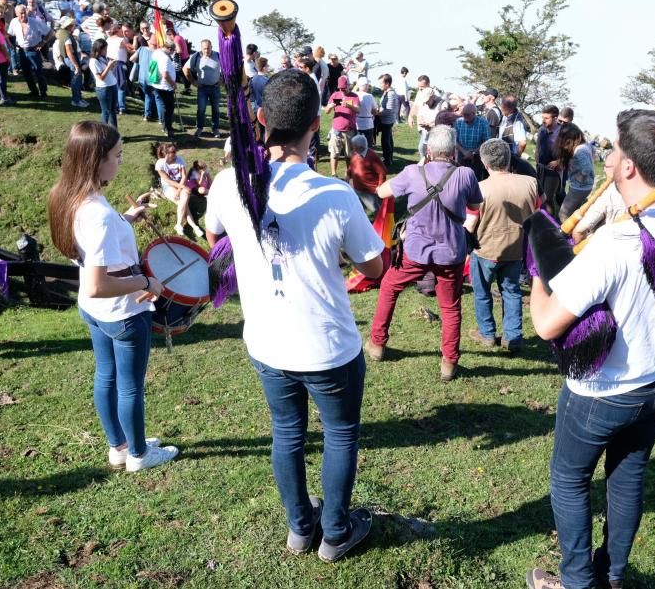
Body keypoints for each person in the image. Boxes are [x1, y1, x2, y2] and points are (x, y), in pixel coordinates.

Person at [526, 109, 655, 589]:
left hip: (605, 390)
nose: (608, 158)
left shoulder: (615, 242)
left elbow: (548, 325)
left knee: (569, 480)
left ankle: (576, 582)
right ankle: (611, 576)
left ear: (629, 166)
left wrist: (537, 270)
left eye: (614, 152)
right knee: (627, 478)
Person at [204, 69, 384, 562]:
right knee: (340, 434)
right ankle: (335, 531)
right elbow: (374, 264)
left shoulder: (227, 184)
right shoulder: (335, 194)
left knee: (287, 431)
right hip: (327, 345)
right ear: (317, 123)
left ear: (262, 120)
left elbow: (213, 233)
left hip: (267, 339)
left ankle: (301, 528)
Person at [47, 121, 179, 472]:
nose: (121, 161)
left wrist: (126, 219)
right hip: (121, 312)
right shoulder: (99, 216)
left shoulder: (68, 195)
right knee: (130, 387)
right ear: (94, 160)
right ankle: (139, 455)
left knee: (106, 376)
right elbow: (97, 283)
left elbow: (93, 247)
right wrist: (145, 283)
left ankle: (118, 447)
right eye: (117, 156)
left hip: (94, 312)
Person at [367, 125, 484, 381]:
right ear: (454, 151)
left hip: (415, 251)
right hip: (451, 252)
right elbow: (475, 205)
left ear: (428, 149)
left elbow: (382, 191)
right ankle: (449, 362)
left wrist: (420, 166)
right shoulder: (466, 175)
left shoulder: (412, 173)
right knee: (450, 308)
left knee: (389, 288)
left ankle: (377, 344)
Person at [464, 139, 538, 355]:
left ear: (485, 163)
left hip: (485, 249)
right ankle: (513, 336)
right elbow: (538, 212)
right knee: (512, 291)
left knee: (482, 293)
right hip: (516, 249)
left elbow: (470, 223)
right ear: (508, 159)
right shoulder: (530, 183)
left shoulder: (479, 188)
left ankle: (487, 334)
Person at [154, 143, 203, 238]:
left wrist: (179, 190)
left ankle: (179, 224)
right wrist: (180, 188)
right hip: (168, 186)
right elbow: (167, 180)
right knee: (184, 204)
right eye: (173, 152)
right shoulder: (160, 164)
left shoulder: (179, 159)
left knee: (184, 198)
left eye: (175, 150)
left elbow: (184, 176)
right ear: (165, 153)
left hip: (180, 184)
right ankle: (194, 226)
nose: (175, 153)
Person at [7, 4, 50, 99]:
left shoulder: (35, 22)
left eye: (24, 12)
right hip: (21, 50)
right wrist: (10, 44)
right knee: (26, 73)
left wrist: (43, 43)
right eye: (21, 13)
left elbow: (49, 32)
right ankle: (34, 91)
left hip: (33, 50)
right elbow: (9, 34)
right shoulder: (14, 22)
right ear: (16, 14)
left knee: (38, 72)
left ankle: (43, 93)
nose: (23, 15)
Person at [183, 39, 223, 138]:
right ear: (201, 48)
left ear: (212, 47)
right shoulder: (196, 57)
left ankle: (215, 129)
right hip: (202, 88)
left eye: (208, 48)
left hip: (215, 87)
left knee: (216, 110)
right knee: (201, 109)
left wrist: (222, 80)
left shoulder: (218, 56)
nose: (207, 50)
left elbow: (227, 69)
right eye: (204, 48)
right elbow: (185, 69)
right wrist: (193, 82)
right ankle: (199, 128)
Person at [557, 123, 595, 223]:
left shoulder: (580, 150)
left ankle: (568, 235)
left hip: (579, 188)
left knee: (563, 213)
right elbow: (593, 152)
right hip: (584, 186)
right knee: (574, 213)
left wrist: (578, 179)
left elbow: (587, 169)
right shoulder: (585, 144)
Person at [324, 77, 360, 178]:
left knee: (348, 155)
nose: (342, 90)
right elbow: (326, 111)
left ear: (349, 86)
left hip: (349, 130)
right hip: (336, 130)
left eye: (344, 88)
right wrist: (330, 107)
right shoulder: (335, 95)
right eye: (340, 88)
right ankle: (334, 174)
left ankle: (348, 175)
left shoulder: (354, 96)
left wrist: (349, 105)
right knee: (334, 154)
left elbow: (358, 110)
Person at [346, 134, 387, 215]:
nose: (352, 148)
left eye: (354, 146)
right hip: (357, 188)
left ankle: (381, 225)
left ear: (361, 147)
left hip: (369, 191)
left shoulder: (372, 156)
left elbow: (382, 172)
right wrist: (348, 175)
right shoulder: (355, 153)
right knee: (359, 209)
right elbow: (352, 165)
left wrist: (379, 186)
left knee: (375, 210)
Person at [56, 15, 89, 108]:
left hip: (74, 58)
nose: (74, 26)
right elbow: (69, 52)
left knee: (78, 79)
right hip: (72, 59)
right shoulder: (66, 36)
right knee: (76, 79)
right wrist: (76, 65)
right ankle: (76, 100)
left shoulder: (67, 34)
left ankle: (78, 98)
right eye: (73, 25)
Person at [453, 103, 491, 180]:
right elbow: (454, 140)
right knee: (461, 178)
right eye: (463, 114)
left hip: (477, 156)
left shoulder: (483, 123)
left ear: (474, 114)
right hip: (462, 155)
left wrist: (473, 152)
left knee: (476, 179)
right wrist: (465, 152)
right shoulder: (458, 122)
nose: (464, 117)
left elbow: (486, 142)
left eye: (467, 115)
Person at [90, 39, 119, 128]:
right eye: (105, 49)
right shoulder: (93, 61)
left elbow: (108, 72)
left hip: (112, 86)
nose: (106, 51)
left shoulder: (103, 58)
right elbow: (101, 77)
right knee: (106, 112)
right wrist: (109, 66)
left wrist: (113, 66)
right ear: (98, 49)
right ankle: (103, 134)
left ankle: (114, 133)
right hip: (104, 89)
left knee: (113, 110)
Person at [151, 41, 177, 137]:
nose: (172, 53)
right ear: (170, 49)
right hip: (165, 87)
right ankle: (167, 129)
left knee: (162, 107)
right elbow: (165, 75)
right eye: (173, 51)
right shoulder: (165, 58)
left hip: (156, 84)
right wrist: (173, 84)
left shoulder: (156, 52)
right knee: (168, 109)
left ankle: (165, 126)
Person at [131, 36, 157, 122]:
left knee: (148, 96)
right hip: (152, 77)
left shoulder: (141, 49)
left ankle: (147, 115)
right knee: (154, 96)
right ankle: (154, 114)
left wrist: (141, 61)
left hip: (142, 77)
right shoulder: (158, 52)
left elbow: (132, 59)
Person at [376, 73, 399, 166]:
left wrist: (377, 113)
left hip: (387, 120)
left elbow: (388, 110)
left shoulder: (391, 94)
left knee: (385, 140)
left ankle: (387, 160)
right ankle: (389, 158)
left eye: (381, 83)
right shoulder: (387, 92)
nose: (379, 85)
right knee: (388, 138)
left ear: (387, 83)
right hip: (387, 119)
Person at [354, 77, 376, 148]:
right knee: (368, 146)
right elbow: (374, 111)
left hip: (357, 123)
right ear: (366, 85)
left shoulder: (354, 95)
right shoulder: (370, 96)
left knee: (356, 146)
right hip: (368, 123)